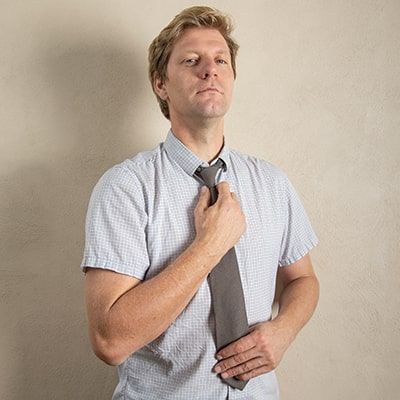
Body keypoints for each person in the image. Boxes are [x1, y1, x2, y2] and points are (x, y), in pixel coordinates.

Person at [81, 5, 319, 400]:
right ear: (161, 84)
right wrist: (210, 245)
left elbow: (303, 280)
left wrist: (284, 330)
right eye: (191, 60)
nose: (210, 70)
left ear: (232, 77)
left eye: (220, 60)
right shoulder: (125, 188)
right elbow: (110, 341)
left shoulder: (272, 183)